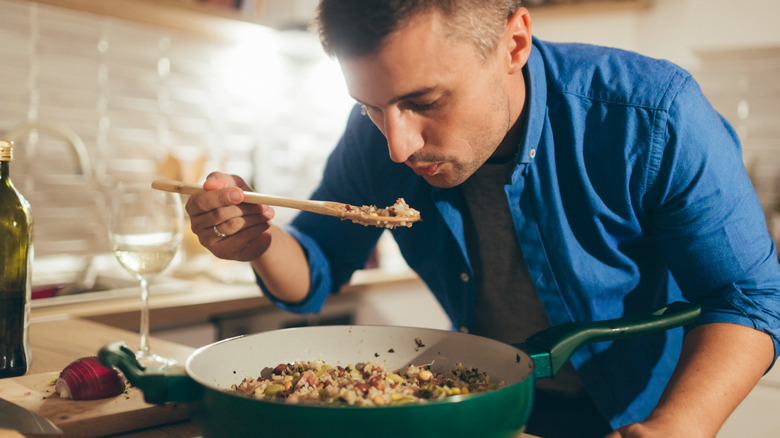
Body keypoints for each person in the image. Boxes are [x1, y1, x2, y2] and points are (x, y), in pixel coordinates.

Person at [185, 1, 780, 436]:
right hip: (481, 409)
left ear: (513, 44)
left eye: (424, 103)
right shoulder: (379, 138)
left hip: (634, 414)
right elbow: (313, 271)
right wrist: (257, 241)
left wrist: (680, 427)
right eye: (370, 107)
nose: (397, 145)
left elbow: (748, 297)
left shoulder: (652, 114)